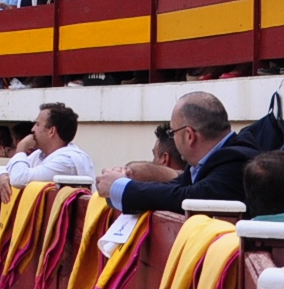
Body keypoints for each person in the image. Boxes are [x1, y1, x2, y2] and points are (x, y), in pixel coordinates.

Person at [95, 91, 251, 213]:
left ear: (189, 135)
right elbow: (172, 188)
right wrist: (124, 181)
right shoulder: (204, 162)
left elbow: (186, 198)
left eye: (173, 132)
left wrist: (122, 187)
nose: (173, 138)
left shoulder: (236, 160)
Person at [4, 101, 94, 185]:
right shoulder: (39, 154)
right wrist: (2, 175)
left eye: (38, 124)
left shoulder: (66, 161)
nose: (32, 129)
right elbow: (9, 168)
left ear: (51, 131)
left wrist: (21, 148)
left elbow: (19, 179)